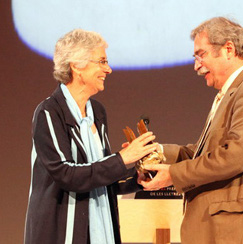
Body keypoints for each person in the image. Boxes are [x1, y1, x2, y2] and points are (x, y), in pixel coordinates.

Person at [140, 17, 243, 243]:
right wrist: (159, 153)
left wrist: (173, 175)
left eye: (201, 55)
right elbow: (207, 154)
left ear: (228, 49)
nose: (196, 66)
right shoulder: (233, 92)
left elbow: (235, 155)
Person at [24, 29, 158, 244]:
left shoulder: (97, 111)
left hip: (98, 228)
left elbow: (99, 178)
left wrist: (136, 178)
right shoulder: (49, 112)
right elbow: (66, 174)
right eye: (102, 61)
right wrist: (122, 158)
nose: (109, 69)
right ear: (76, 65)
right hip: (61, 231)